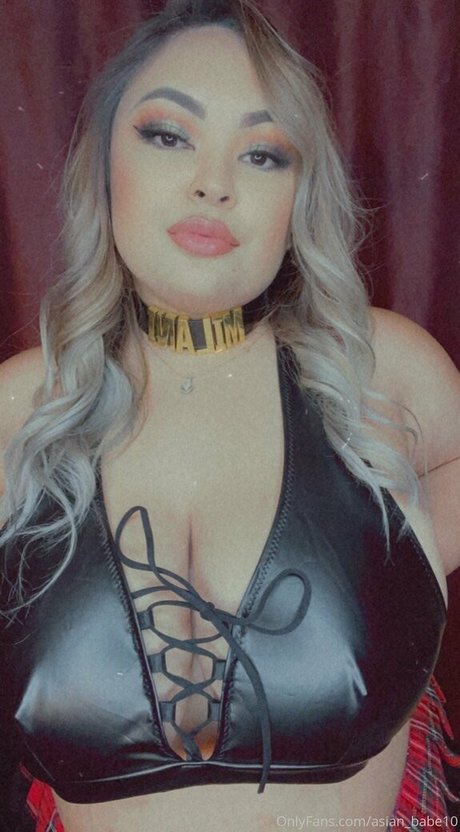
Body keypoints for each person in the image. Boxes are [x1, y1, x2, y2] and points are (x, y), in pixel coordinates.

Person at [1, 0, 459, 830]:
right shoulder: (17, 416)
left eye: (262, 152)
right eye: (168, 135)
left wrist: (394, 563)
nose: (215, 183)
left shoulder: (381, 376)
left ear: (299, 194)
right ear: (103, 165)